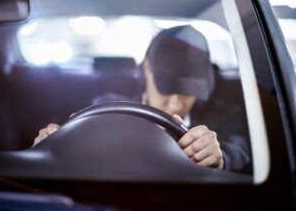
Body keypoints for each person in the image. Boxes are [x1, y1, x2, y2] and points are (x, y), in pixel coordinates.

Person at [33, 25, 251, 173]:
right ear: (147, 68)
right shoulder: (107, 107)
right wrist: (52, 145)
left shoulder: (225, 114)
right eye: (167, 88)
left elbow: (240, 151)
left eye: (187, 91)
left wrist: (220, 156)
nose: (175, 103)